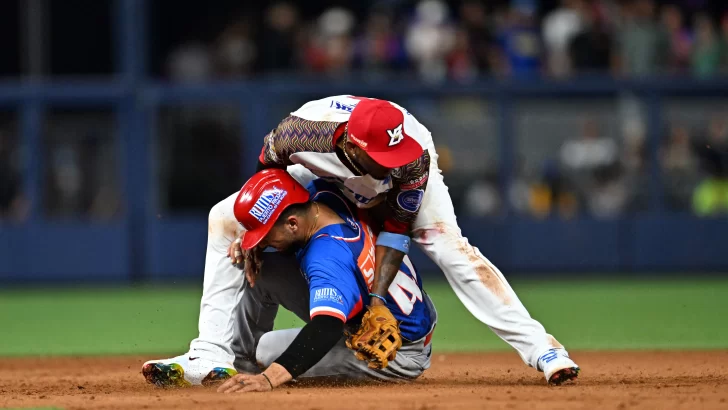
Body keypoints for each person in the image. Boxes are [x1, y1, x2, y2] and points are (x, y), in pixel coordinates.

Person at [142, 95, 579, 387]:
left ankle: (542, 349)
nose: (391, 165)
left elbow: (395, 229)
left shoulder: (410, 156)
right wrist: (257, 234)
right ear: (352, 145)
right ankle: (209, 354)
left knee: (448, 245)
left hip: (383, 159)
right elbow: (266, 174)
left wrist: (372, 299)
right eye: (380, 159)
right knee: (225, 218)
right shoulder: (300, 134)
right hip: (320, 168)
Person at [144, 169, 436, 389]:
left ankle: (255, 370)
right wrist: (257, 243)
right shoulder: (325, 194)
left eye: (265, 233)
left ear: (293, 223)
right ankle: (235, 362)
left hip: (401, 349)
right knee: (262, 267)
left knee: (269, 351)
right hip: (397, 308)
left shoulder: (326, 257)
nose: (262, 240)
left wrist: (269, 380)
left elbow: (327, 327)